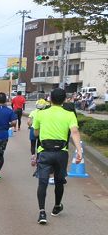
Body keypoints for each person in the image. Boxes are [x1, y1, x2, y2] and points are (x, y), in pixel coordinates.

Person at [33, 88, 82, 225]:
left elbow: (36, 133)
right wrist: (79, 151)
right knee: (59, 181)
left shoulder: (41, 113)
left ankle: (42, 212)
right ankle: (56, 206)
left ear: (50, 99)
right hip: (61, 153)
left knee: (42, 182)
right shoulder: (69, 114)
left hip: (44, 152)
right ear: (64, 100)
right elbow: (75, 132)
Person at [28, 99, 49, 164]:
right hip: (42, 130)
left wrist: (30, 126)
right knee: (39, 145)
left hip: (33, 129)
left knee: (32, 144)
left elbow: (29, 122)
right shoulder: (46, 113)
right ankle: (38, 158)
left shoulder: (33, 112)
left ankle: (33, 157)